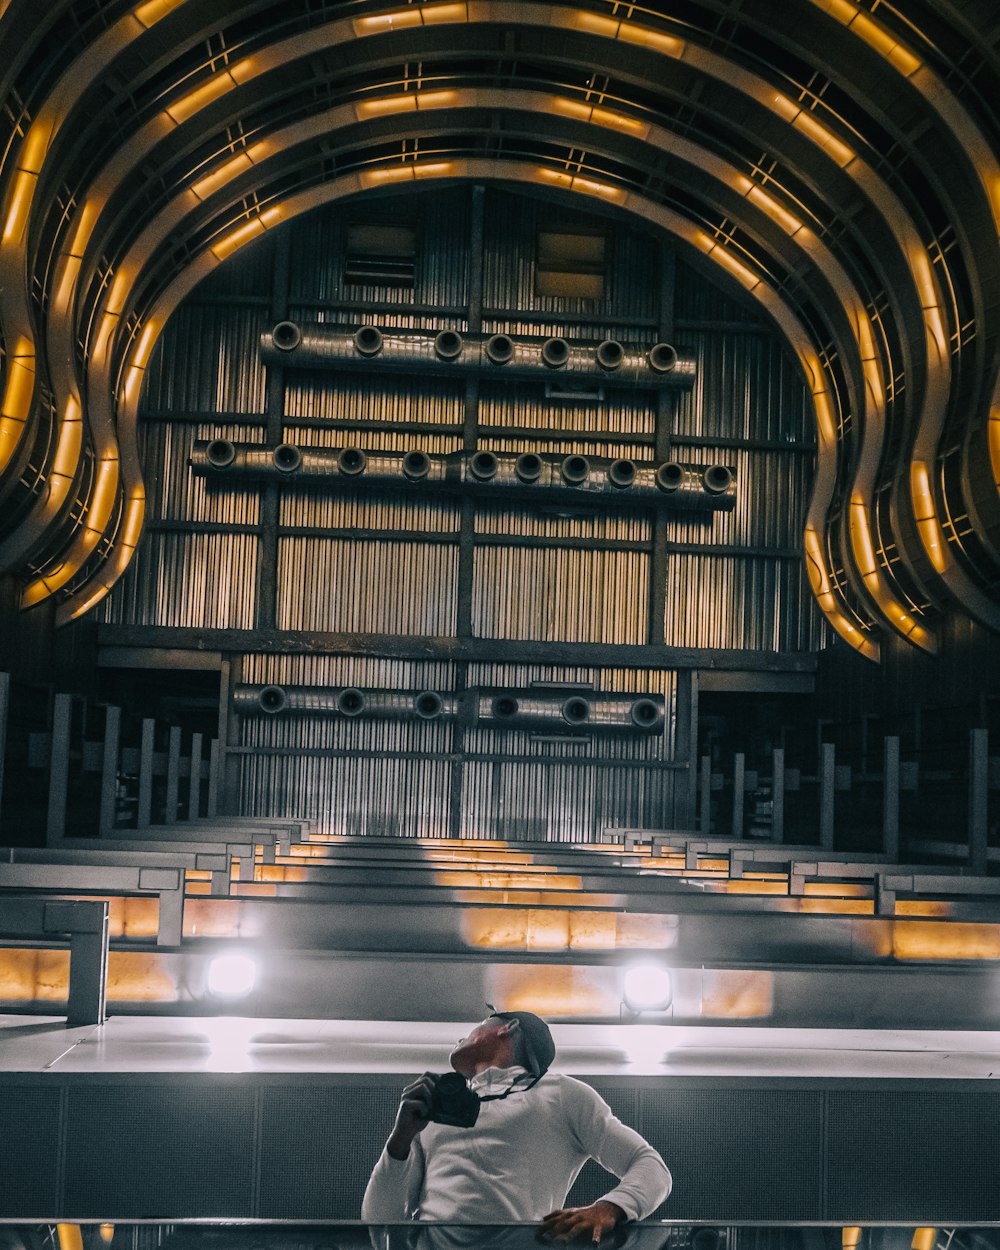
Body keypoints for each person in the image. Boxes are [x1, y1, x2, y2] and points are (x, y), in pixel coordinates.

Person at [362, 1008, 672, 1241]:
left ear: (507, 1027)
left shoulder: (562, 1093)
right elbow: (379, 1221)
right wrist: (400, 1138)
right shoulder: (436, 1108)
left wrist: (610, 1208)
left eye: (475, 1027)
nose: (461, 1038)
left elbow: (650, 1165)